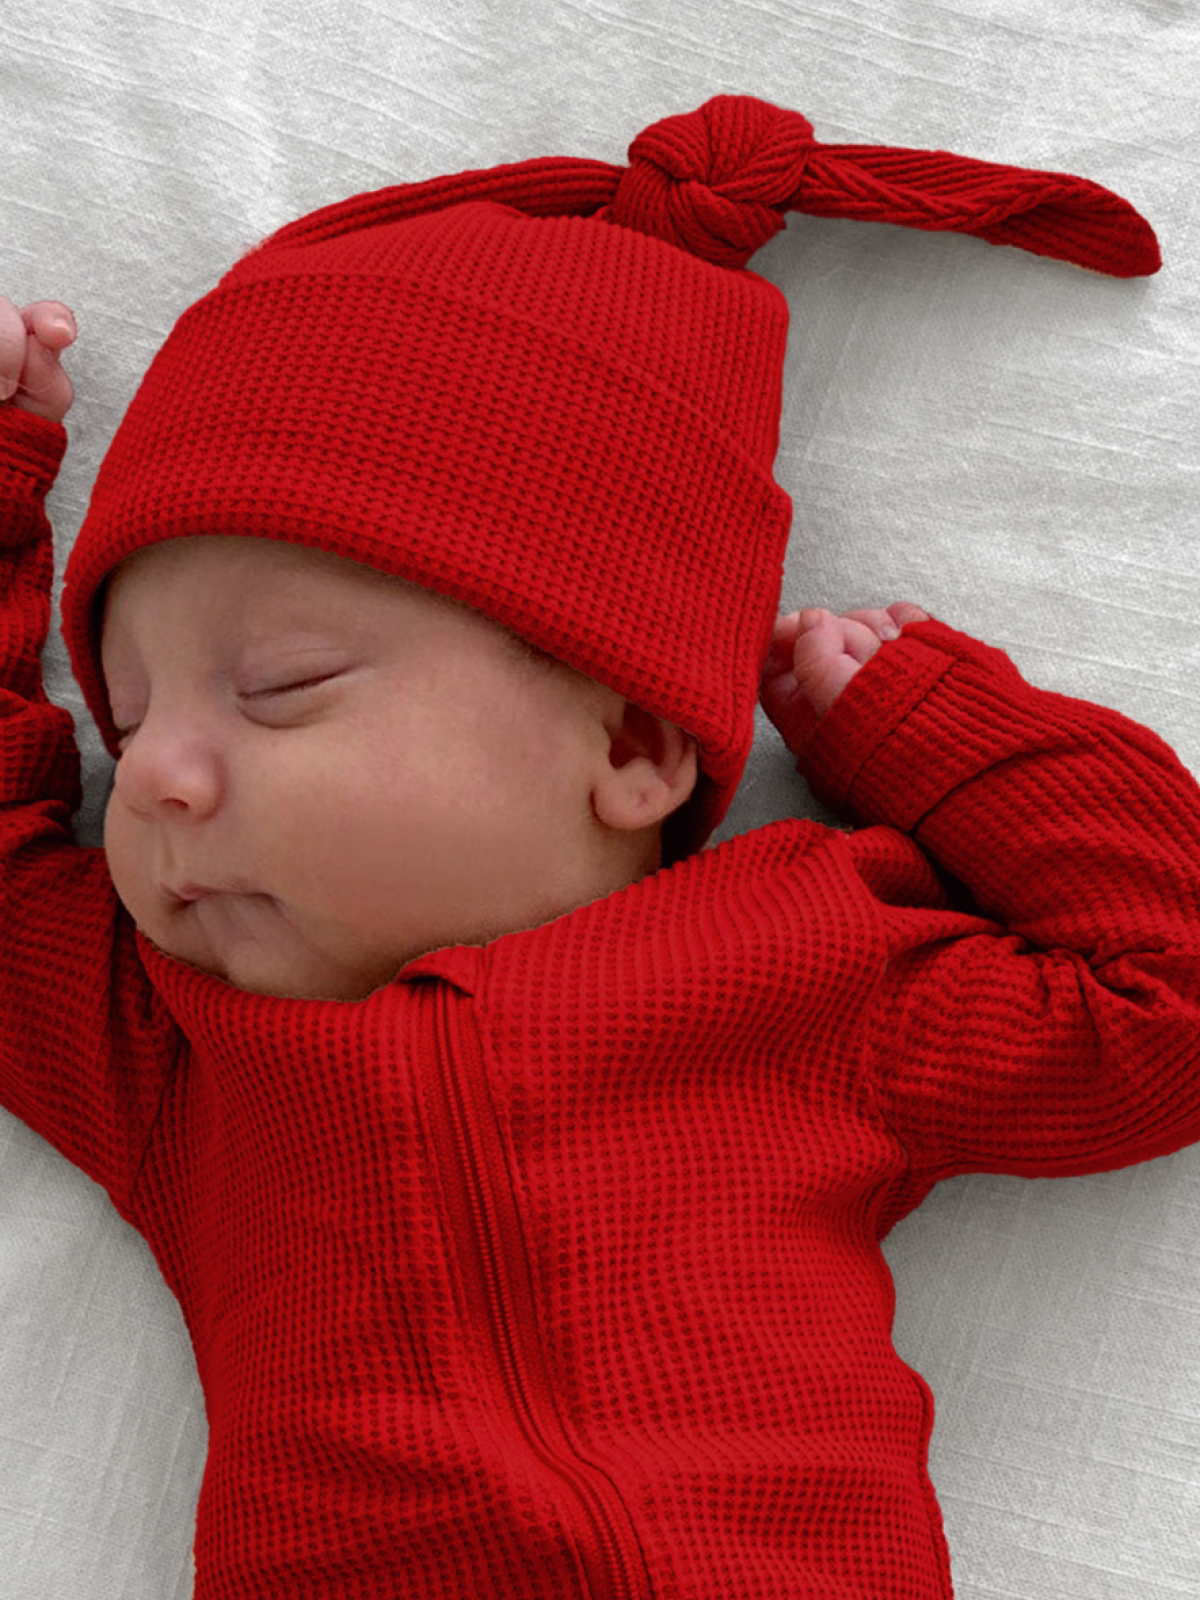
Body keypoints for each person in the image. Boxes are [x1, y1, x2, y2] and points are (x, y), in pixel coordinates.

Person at [1, 94, 1197, 1599]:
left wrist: (934, 735)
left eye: (280, 691)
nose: (157, 776)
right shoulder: (181, 1057)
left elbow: (1165, 1007)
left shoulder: (813, 974)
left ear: (629, 747)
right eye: (119, 719)